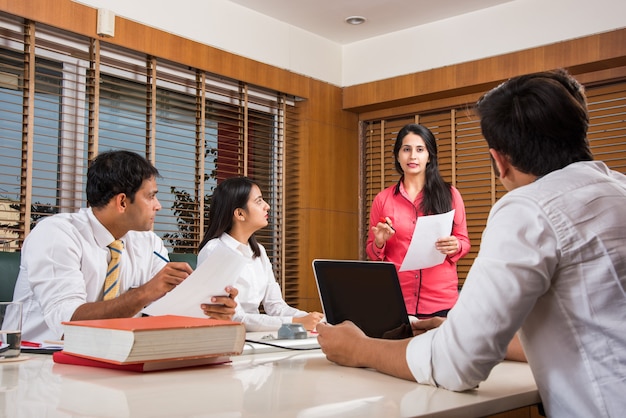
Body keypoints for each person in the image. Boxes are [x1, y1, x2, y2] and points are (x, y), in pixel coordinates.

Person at [317, 69, 626, 418]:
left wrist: (359, 349)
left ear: (499, 161)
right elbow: (584, 329)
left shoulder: (526, 209)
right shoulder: (618, 189)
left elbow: (457, 364)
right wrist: (455, 328)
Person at [13, 150, 238, 342]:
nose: (158, 206)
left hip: (113, 359)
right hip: (38, 365)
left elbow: (165, 312)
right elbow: (67, 324)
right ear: (122, 202)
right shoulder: (56, 235)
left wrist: (209, 309)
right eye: (151, 197)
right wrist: (145, 293)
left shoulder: (149, 243)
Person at [366, 123, 470, 318]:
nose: (412, 156)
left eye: (420, 150)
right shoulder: (383, 199)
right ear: (398, 155)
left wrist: (455, 245)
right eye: (406, 149)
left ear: (429, 156)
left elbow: (464, 242)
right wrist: (379, 241)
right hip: (396, 300)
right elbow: (372, 252)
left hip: (440, 302)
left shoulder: (450, 195)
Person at [198, 176, 323, 332]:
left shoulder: (259, 251)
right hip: (228, 336)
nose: (267, 206)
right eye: (259, 201)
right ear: (240, 214)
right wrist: (295, 322)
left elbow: (275, 306)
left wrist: (315, 319)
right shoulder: (214, 250)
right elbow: (234, 317)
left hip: (255, 337)